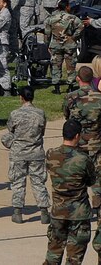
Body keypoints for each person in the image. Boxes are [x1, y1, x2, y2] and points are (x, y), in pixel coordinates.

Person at [45, 119, 95, 265]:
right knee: (74, 259)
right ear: (77, 136)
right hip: (78, 214)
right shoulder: (83, 159)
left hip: (58, 212)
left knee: (53, 254)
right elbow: (91, 181)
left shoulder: (51, 154)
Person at [3, 86, 50, 224]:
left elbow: (10, 129)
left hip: (19, 153)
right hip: (36, 153)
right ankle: (44, 212)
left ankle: (17, 212)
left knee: (18, 182)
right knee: (38, 182)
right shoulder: (40, 113)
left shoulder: (15, 114)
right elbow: (42, 132)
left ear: (21, 98)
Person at [62, 66, 101, 209]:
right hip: (96, 144)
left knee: (77, 177)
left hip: (77, 144)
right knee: (97, 179)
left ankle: (79, 207)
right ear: (92, 79)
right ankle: (98, 208)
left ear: (78, 78)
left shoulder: (71, 97)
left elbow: (67, 118)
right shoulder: (99, 98)